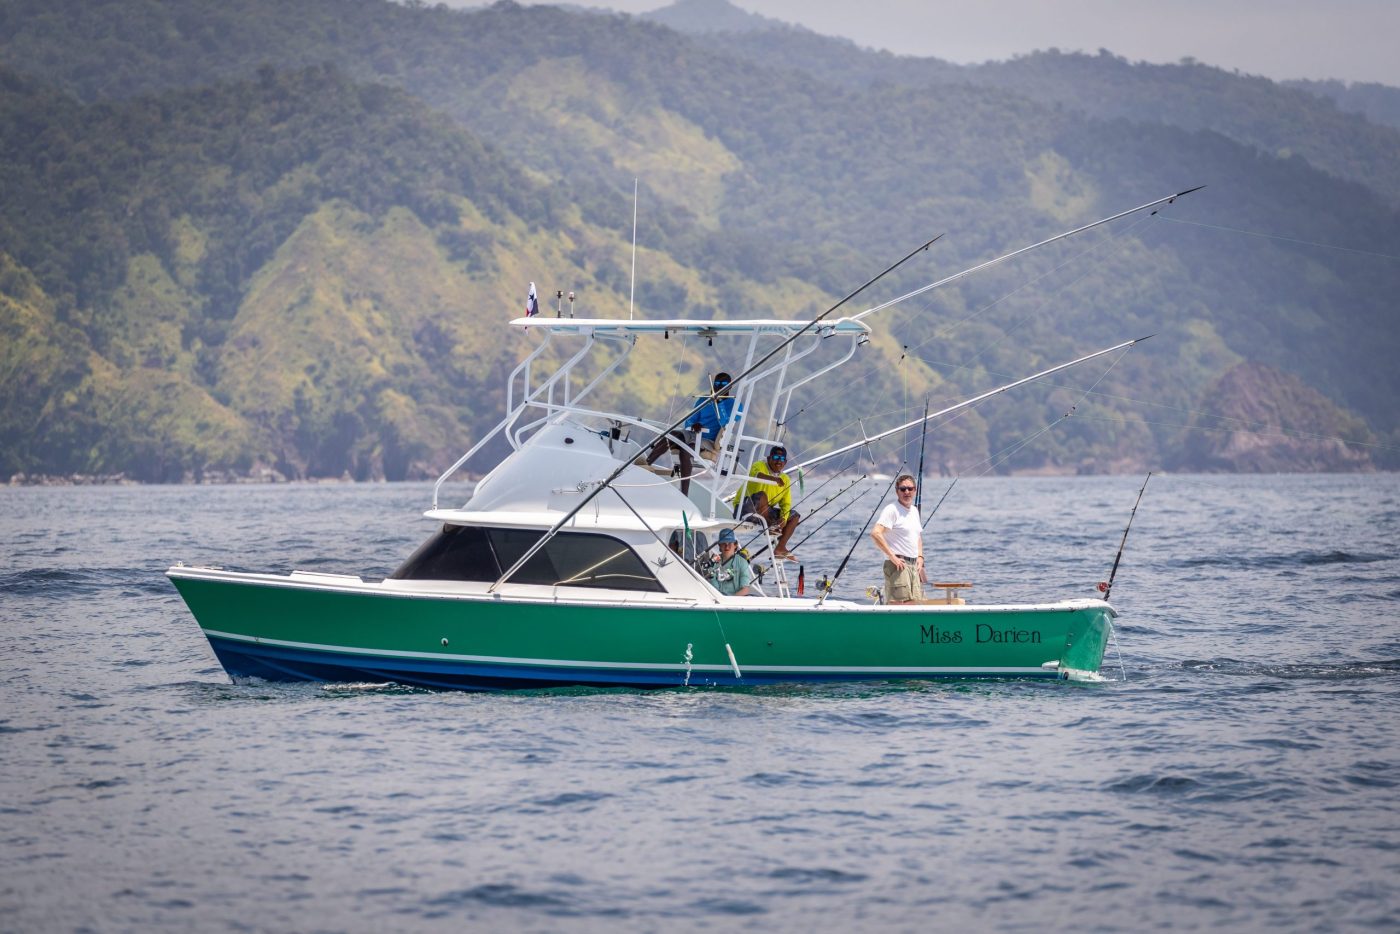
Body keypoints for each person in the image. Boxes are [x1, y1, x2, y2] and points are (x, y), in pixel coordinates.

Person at [645, 371, 740, 495]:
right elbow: (689, 421)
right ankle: (646, 464)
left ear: (730, 386)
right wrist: (693, 424)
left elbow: (725, 423)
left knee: (687, 449)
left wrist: (720, 403)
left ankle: (684, 492)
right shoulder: (704, 400)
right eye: (717, 383)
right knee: (672, 435)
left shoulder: (735, 405)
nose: (719, 386)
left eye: (723, 384)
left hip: (710, 441)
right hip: (694, 434)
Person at [735, 444, 800, 559]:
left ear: (785, 462)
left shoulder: (785, 479)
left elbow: (786, 503)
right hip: (745, 508)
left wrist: (784, 519)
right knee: (762, 495)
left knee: (794, 516)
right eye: (775, 458)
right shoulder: (759, 465)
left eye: (781, 459)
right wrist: (774, 479)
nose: (778, 461)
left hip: (764, 513)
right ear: (769, 458)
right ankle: (772, 527)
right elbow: (756, 474)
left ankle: (780, 548)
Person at [870, 474, 925, 604]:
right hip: (898, 566)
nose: (907, 492)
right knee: (899, 605)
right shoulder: (891, 510)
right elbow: (875, 533)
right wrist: (892, 557)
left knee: (916, 604)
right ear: (897, 491)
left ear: (915, 490)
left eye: (910, 488)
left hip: (913, 566)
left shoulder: (914, 511)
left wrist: (920, 556)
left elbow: (917, 536)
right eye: (903, 489)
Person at [707, 528, 753, 596]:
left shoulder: (742, 562)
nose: (727, 547)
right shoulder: (713, 562)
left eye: (729, 544)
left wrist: (730, 600)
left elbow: (745, 590)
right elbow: (713, 588)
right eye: (724, 544)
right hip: (718, 598)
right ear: (719, 545)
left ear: (735, 545)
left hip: (736, 600)